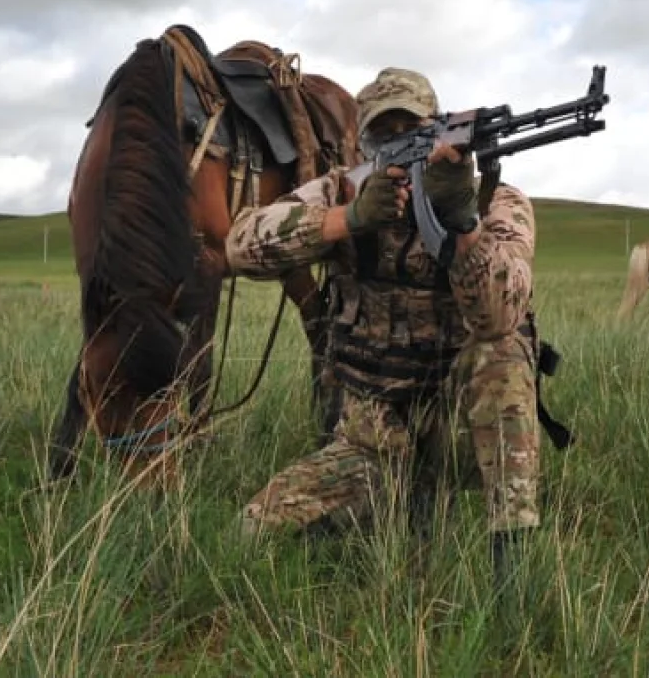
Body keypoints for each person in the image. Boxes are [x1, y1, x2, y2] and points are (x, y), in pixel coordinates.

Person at [223, 66, 544, 591]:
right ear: (362, 145)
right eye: (382, 134)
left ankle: (514, 566)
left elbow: (498, 314)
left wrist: (461, 220)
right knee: (250, 533)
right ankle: (389, 510)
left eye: (412, 131)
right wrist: (346, 221)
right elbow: (240, 245)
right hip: (371, 439)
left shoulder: (495, 202)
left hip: (458, 435)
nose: (399, 143)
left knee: (503, 352)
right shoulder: (340, 191)